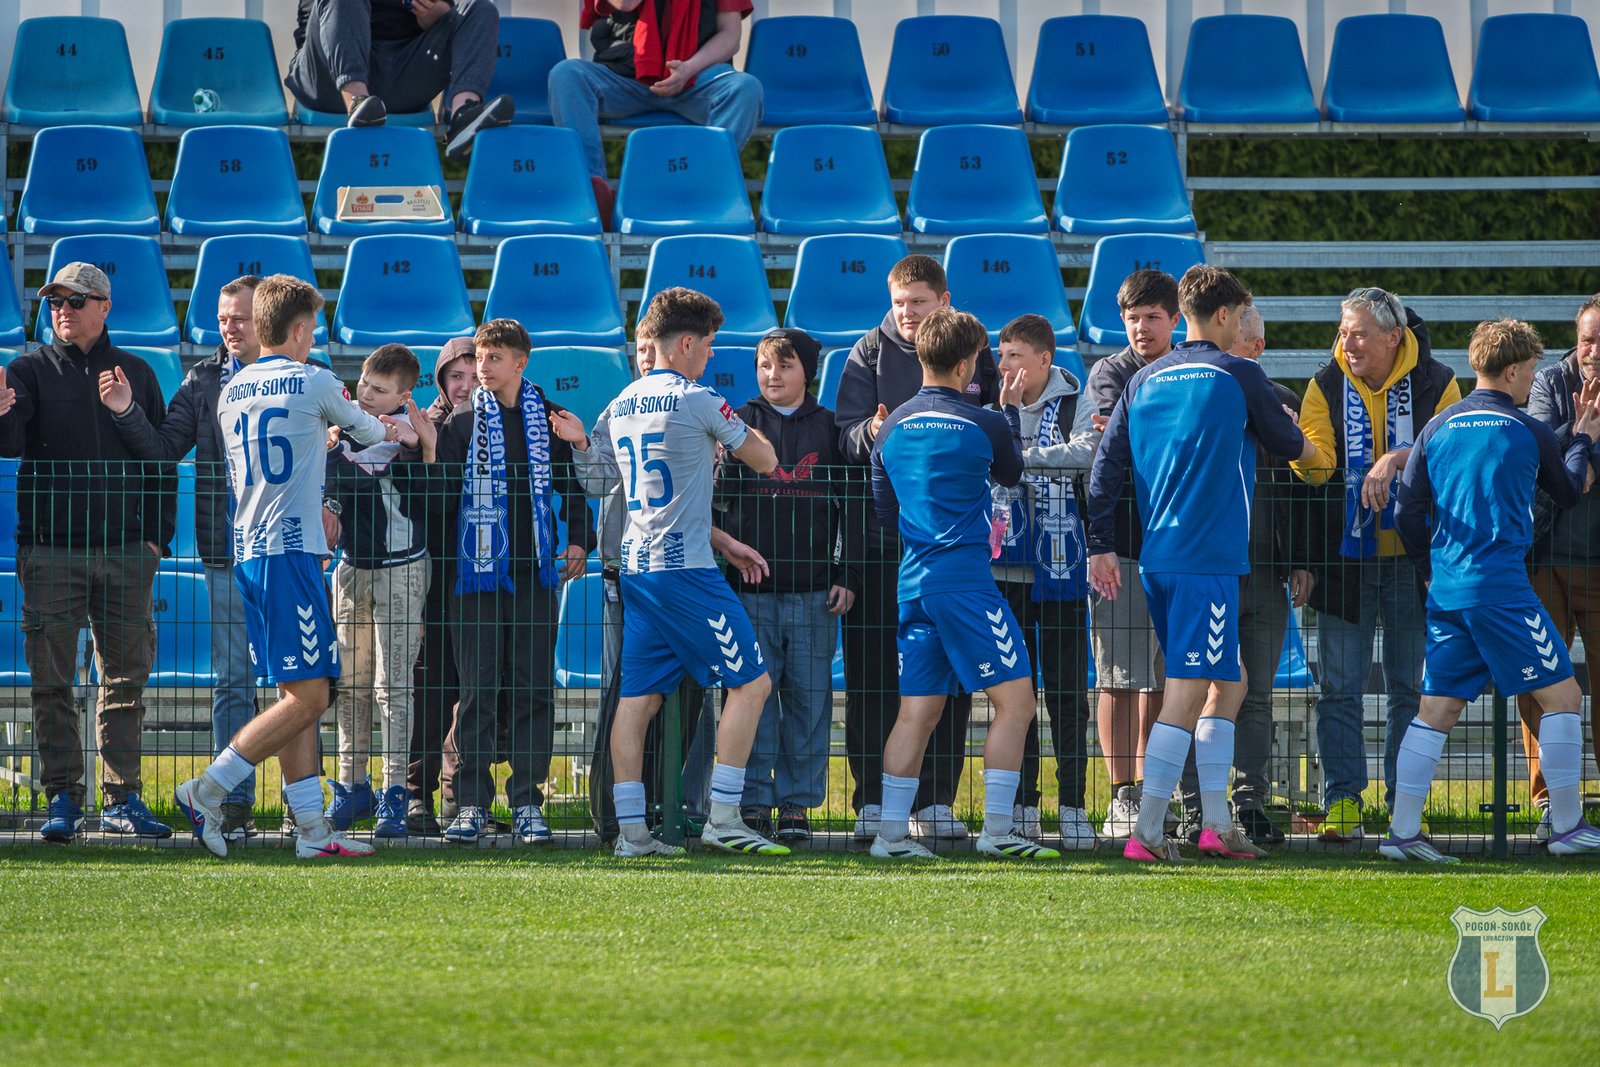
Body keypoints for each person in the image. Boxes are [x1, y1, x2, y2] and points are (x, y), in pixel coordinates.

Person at [1086, 267, 1315, 863]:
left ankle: (1216, 823)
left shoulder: (1145, 379)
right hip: (1207, 560)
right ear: (1223, 316)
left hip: (1159, 558)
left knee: (1230, 681)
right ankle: (1148, 832)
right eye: (1239, 317)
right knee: (1187, 692)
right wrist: (1316, 449)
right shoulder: (1238, 372)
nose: (1241, 327)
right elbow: (1292, 446)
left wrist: (1099, 542)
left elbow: (1106, 468)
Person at [172, 273, 404, 859]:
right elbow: (371, 434)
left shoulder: (232, 390)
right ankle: (208, 789)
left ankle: (312, 832)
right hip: (290, 554)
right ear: (299, 330)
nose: (315, 337)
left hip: (248, 552)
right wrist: (396, 429)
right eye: (314, 328)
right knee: (313, 696)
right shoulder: (314, 379)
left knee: (292, 691)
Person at [1387, 319, 1600, 861]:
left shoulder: (1437, 427)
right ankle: (1567, 827)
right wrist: (1582, 439)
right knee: (1564, 698)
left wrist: (1427, 566)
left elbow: (1405, 512)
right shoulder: (1524, 429)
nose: (1532, 379)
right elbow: (1568, 491)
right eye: (1529, 370)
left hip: (1447, 590)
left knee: (1435, 711)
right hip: (1503, 590)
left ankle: (1402, 834)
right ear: (1511, 371)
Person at [585, 286, 784, 858]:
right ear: (688, 343)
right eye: (710, 344)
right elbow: (766, 460)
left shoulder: (621, 401)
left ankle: (632, 833)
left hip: (636, 567)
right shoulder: (699, 399)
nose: (713, 355)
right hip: (686, 571)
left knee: (638, 699)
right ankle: (724, 816)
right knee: (753, 683)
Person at [868, 307, 1056, 861]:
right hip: (968, 586)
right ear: (967, 364)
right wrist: (1010, 414)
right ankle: (997, 831)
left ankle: (890, 837)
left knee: (916, 713)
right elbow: (1011, 474)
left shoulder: (891, 427)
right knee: (1016, 704)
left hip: (914, 583)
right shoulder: (985, 422)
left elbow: (885, 514)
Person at [0, 263, 176, 843]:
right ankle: (63, 799)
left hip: (127, 552)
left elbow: (160, 462)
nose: (63, 311)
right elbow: (10, 445)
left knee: (125, 681)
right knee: (51, 684)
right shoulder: (27, 370)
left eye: (76, 301)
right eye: (55, 301)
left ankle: (122, 799)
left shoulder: (137, 373)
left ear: (105, 306)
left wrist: (156, 541)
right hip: (51, 552)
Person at [834, 254, 999, 844]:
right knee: (873, 677)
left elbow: (992, 425)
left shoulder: (975, 348)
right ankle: (872, 801)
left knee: (948, 680)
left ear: (943, 300)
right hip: (884, 544)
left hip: (958, 548)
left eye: (918, 303)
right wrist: (872, 432)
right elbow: (844, 436)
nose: (907, 313)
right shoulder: (866, 352)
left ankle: (935, 800)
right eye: (899, 303)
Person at [98, 275, 268, 842]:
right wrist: (126, 410)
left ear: (265, 318)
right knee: (233, 680)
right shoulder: (203, 379)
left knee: (302, 683)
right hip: (225, 553)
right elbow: (165, 449)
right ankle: (231, 805)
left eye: (240, 317)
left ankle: (302, 804)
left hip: (288, 549)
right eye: (222, 318)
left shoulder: (300, 372)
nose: (229, 327)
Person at [412, 319, 592, 845]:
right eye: (479, 357)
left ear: (520, 362)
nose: (482, 369)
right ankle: (471, 803)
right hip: (475, 578)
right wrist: (429, 452)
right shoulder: (461, 422)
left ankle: (528, 803)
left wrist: (579, 539)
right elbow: (440, 505)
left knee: (533, 688)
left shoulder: (550, 418)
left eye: (493, 358)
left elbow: (574, 485)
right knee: (477, 690)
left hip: (534, 574)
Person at [1290, 287, 1461, 841]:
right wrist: (1292, 442)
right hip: (1344, 562)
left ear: (1393, 337)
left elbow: (1450, 455)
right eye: (1343, 332)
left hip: (1415, 562)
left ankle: (1404, 803)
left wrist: (1397, 458)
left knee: (1409, 690)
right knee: (1339, 688)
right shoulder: (1324, 384)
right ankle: (1343, 801)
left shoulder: (1439, 381)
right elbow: (1317, 472)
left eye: (1359, 333)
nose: (1348, 342)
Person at [714, 329, 861, 841]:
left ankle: (797, 804)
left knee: (809, 702)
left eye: (784, 366)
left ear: (808, 373)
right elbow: (719, 502)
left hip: (816, 593)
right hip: (750, 591)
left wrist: (847, 572)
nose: (772, 375)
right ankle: (753, 800)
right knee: (752, 698)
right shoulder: (737, 423)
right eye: (764, 365)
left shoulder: (831, 428)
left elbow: (851, 507)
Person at [1175, 304, 1312, 846]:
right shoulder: (1192, 394)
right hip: (1209, 567)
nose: (1231, 348)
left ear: (1256, 347)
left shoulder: (1281, 400)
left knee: (1255, 693)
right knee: (1195, 687)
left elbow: (1299, 491)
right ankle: (1194, 806)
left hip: (1265, 570)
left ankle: (1249, 800)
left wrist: (1299, 557)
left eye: (1241, 342)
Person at [986, 314, 1097, 850]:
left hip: (1063, 574)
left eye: (1015, 355)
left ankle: (1073, 805)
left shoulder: (1076, 403)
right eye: (1001, 354)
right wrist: (1010, 438)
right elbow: (985, 465)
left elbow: (1087, 453)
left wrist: (1020, 459)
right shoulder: (991, 410)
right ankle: (1024, 806)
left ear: (1044, 360)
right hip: (1005, 573)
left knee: (1068, 695)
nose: (1004, 364)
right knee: (1018, 697)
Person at [1083, 270, 1178, 838]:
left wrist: (1140, 430)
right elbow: (1110, 444)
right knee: (1117, 675)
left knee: (1161, 679)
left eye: (1152, 317)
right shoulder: (1110, 372)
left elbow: (1130, 435)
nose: (1141, 328)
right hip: (1119, 544)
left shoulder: (1187, 367)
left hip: (1174, 544)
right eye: (1132, 318)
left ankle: (1152, 791)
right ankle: (1122, 793)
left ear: (1175, 320)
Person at [324, 344, 432, 837]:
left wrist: (331, 451)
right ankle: (352, 786)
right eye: (364, 384)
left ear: (403, 398)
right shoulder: (344, 427)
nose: (366, 395)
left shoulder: (403, 435)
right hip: (351, 568)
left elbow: (359, 476)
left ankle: (394, 791)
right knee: (350, 683)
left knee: (394, 686)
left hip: (401, 569)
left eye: (380, 390)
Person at [551, 0, 763, 222]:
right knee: (566, 75)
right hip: (624, 78)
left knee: (746, 88)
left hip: (695, 78)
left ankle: (697, 190)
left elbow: (730, 35)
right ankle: (593, 195)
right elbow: (625, 4)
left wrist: (688, 69)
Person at [1521, 295, 1600, 841]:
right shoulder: (1550, 381)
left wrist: (1583, 451)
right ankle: (1549, 799)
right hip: (1546, 558)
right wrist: (1585, 436)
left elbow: (1566, 456)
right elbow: (1541, 451)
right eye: (1588, 339)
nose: (1594, 350)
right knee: (1542, 681)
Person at [288, 0, 513, 159]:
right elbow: (311, 22)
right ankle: (357, 103)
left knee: (481, 8)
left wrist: (435, 15)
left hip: (399, 70)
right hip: (329, 77)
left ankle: (463, 115)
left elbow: (448, 13)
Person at [406, 337, 476, 834]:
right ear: (441, 380)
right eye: (456, 376)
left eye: (473, 375)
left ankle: (459, 795)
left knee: (472, 689)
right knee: (429, 689)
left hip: (482, 578)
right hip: (432, 577)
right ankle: (417, 795)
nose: (465, 385)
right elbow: (427, 506)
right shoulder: (423, 425)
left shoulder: (502, 423)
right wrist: (431, 448)